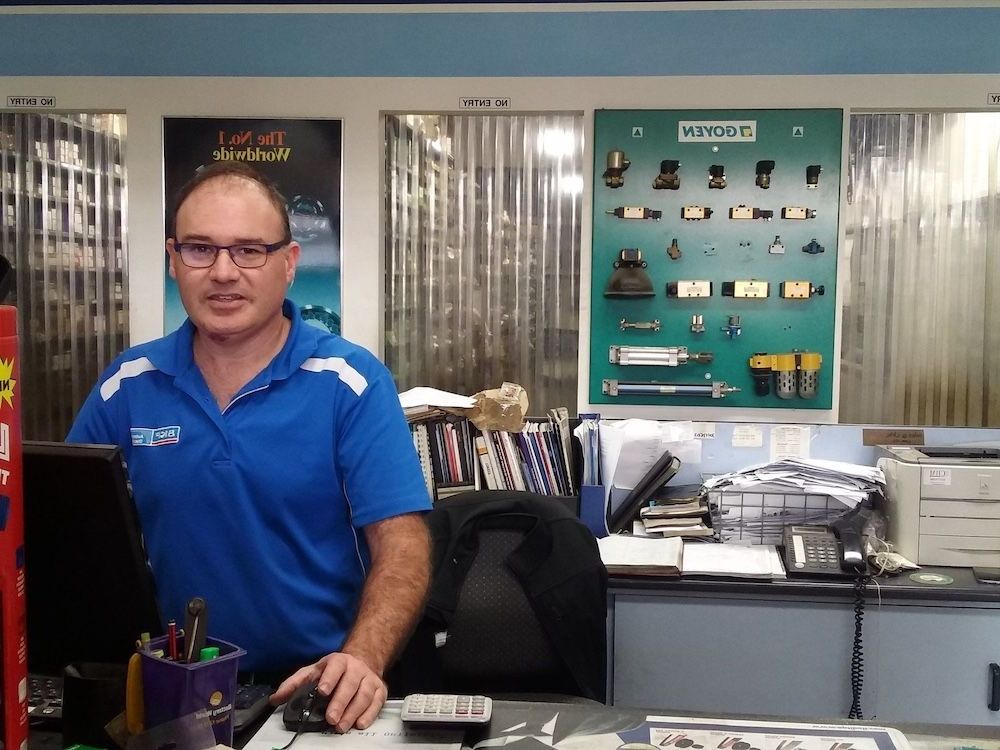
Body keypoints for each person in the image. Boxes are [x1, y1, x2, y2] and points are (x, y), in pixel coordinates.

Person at [67, 161, 432, 732]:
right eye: (199, 249)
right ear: (173, 260)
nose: (222, 272)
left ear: (288, 264)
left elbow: (403, 545)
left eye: (248, 251)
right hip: (169, 690)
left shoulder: (350, 382)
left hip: (312, 690)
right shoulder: (127, 385)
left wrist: (361, 659)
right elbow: (71, 535)